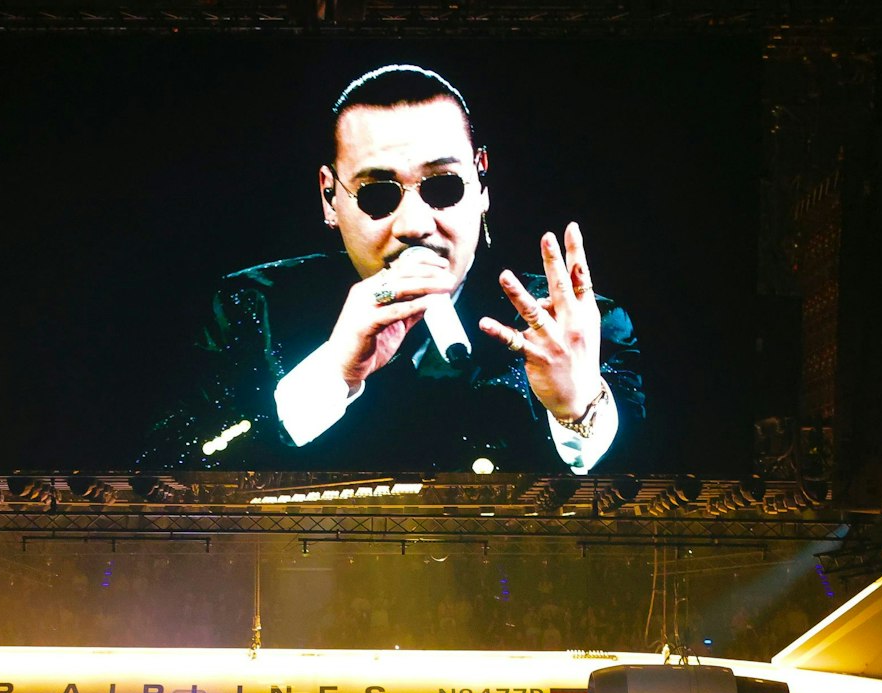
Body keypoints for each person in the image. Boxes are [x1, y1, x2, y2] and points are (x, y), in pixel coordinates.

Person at [143, 63, 643, 473]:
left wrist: (579, 409)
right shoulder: (253, 305)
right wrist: (332, 372)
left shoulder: (572, 322)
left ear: (482, 180)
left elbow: (667, 501)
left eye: (443, 186)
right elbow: (164, 472)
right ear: (328, 197)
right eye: (378, 193)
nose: (414, 224)